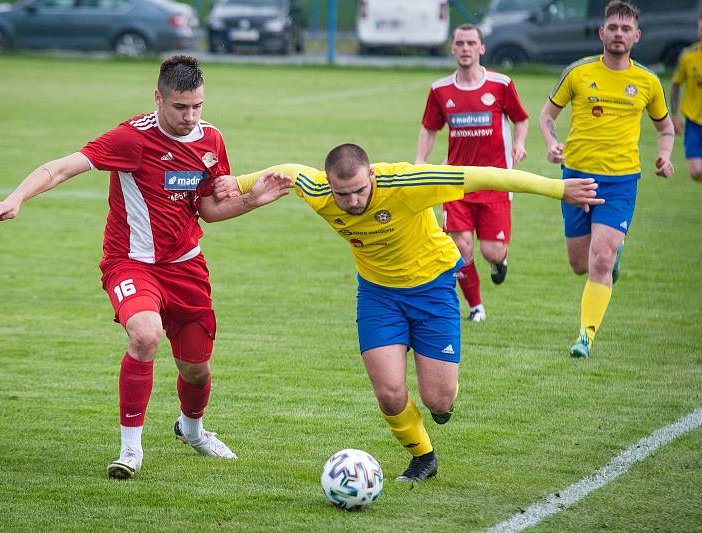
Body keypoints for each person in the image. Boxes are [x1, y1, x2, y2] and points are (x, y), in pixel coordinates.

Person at [0, 55, 292, 480]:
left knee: (196, 370)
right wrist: (16, 198)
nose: (190, 116)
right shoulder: (131, 139)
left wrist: (255, 199)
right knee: (145, 335)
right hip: (130, 265)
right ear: (158, 98)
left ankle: (192, 430)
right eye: (180, 107)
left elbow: (210, 209)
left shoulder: (212, 140)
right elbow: (60, 167)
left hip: (186, 269)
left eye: (197, 106)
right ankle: (130, 450)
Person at [214, 144, 603, 482]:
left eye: (359, 191)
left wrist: (558, 189)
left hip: (433, 290)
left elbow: (484, 175)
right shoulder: (315, 187)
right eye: (342, 194)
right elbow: (277, 174)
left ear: (372, 175)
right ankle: (423, 457)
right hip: (378, 295)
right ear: (329, 184)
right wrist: (236, 182)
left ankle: (439, 404)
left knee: (438, 399)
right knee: (388, 392)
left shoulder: (407, 182)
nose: (351, 202)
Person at [538, 0, 675, 359]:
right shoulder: (579, 72)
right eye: (612, 27)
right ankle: (612, 255)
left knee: (600, 259)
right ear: (602, 32)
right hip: (576, 179)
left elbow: (665, 127)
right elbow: (547, 115)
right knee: (579, 264)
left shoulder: (647, 81)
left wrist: (665, 154)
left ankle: (585, 336)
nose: (618, 34)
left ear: (637, 36)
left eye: (625, 29)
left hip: (620, 181)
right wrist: (553, 144)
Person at [415, 23, 529, 322]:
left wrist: (519, 144)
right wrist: (419, 161)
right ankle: (476, 306)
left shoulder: (500, 84)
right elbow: (429, 128)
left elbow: (520, 119)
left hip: (496, 180)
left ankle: (497, 262)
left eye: (471, 43)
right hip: (457, 181)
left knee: (491, 251)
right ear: (452, 48)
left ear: (481, 48)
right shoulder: (440, 90)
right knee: (460, 247)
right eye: (460, 43)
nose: (465, 48)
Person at [670, 13, 702, 225]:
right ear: (698, 32)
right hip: (694, 123)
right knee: (696, 172)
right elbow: (676, 84)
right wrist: (674, 115)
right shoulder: (688, 57)